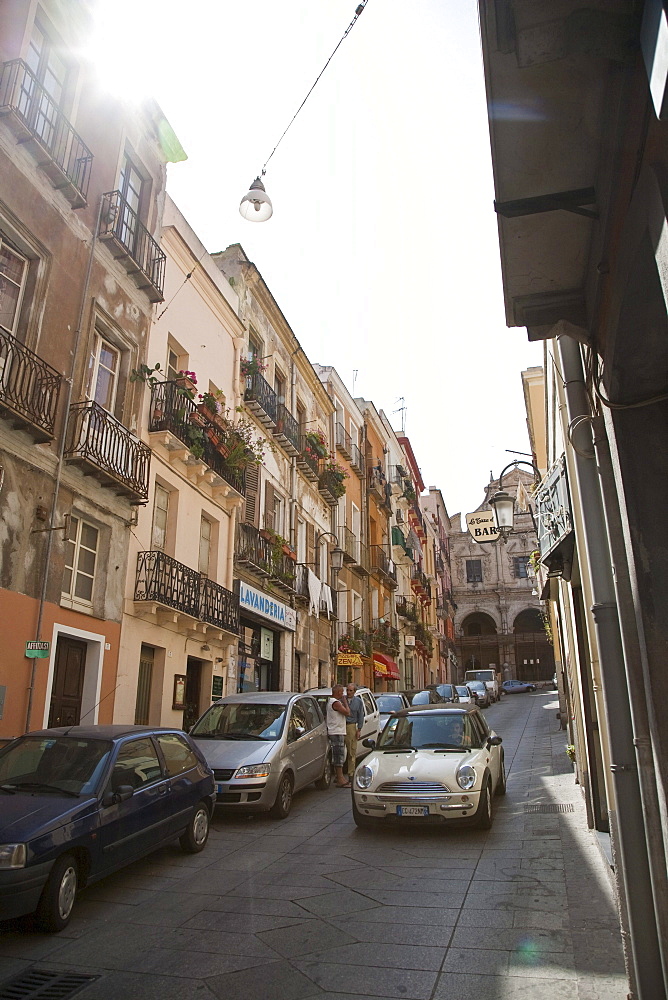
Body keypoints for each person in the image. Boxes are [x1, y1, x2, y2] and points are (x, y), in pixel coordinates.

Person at [326, 684, 351, 787]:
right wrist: (345, 702)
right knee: (339, 755)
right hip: (336, 731)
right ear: (338, 692)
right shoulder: (335, 703)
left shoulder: (332, 702)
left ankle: (338, 776)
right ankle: (340, 779)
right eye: (341, 692)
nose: (343, 694)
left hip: (337, 730)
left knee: (339, 754)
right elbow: (347, 712)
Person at [344, 683, 364, 782]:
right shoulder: (342, 700)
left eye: (351, 690)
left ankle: (351, 773)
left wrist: (359, 729)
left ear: (354, 692)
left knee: (352, 750)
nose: (348, 692)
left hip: (351, 726)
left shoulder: (358, 702)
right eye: (347, 690)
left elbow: (361, 715)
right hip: (341, 725)